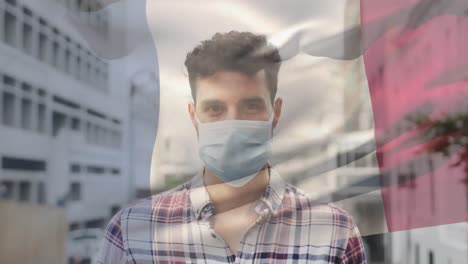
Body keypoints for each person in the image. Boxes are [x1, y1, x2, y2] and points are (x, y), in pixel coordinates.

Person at [97, 31, 367, 263]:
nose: (233, 122)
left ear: (276, 112)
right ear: (194, 116)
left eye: (251, 106)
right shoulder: (131, 233)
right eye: (215, 108)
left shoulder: (334, 233)